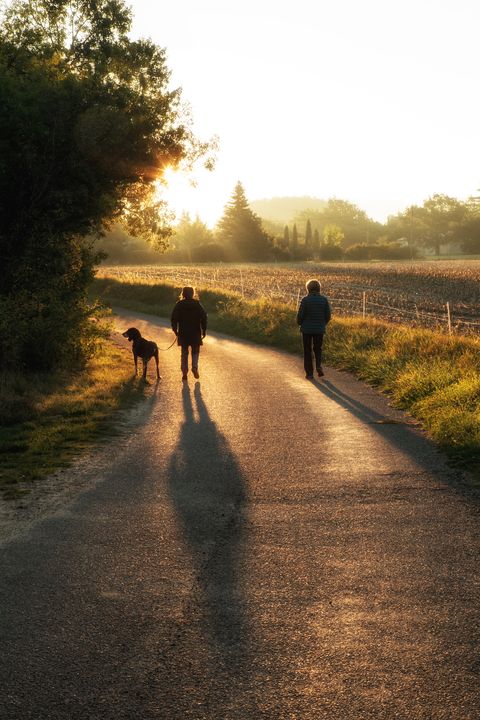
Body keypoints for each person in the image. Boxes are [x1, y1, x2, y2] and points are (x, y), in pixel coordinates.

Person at [296, 278, 331, 379]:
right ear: (319, 288)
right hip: (319, 329)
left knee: (307, 350)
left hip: (306, 330)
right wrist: (323, 324)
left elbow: (300, 315)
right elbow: (328, 315)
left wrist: (299, 323)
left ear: (308, 288)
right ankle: (319, 366)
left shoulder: (305, 300)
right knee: (318, 348)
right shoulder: (324, 300)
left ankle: (309, 373)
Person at [171, 286, 207, 381]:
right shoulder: (197, 304)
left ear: (183, 294)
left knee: (184, 352)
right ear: (192, 294)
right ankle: (194, 367)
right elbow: (204, 317)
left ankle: (184, 372)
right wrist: (204, 330)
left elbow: (174, 318)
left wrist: (175, 330)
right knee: (195, 351)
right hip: (195, 332)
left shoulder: (179, 304)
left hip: (183, 332)